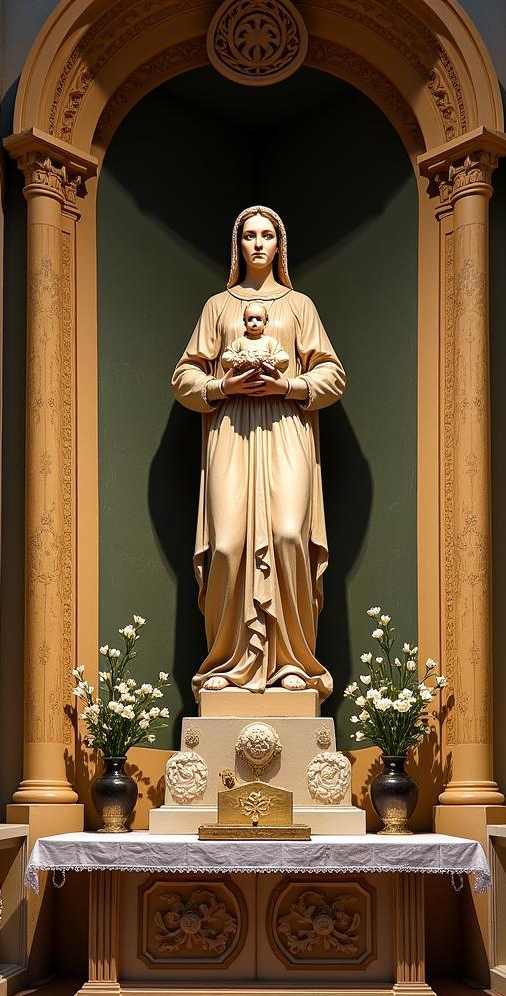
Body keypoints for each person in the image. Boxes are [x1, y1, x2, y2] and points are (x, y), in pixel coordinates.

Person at [172, 206, 346, 699]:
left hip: (287, 430)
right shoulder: (217, 307)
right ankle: (229, 662)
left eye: (267, 235)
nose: (258, 244)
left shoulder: (299, 306)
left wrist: (289, 385)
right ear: (237, 245)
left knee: (289, 535)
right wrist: (222, 385)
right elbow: (183, 378)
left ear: (280, 244)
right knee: (227, 545)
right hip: (231, 431)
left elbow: (333, 375)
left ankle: (292, 661)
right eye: (249, 235)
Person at [221, 301, 289, 375]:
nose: (254, 324)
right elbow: (226, 357)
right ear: (245, 322)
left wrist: (269, 360)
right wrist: (241, 360)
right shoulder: (240, 341)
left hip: (266, 377)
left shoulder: (270, 341)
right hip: (242, 377)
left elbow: (283, 358)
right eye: (250, 319)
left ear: (265, 322)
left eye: (259, 319)